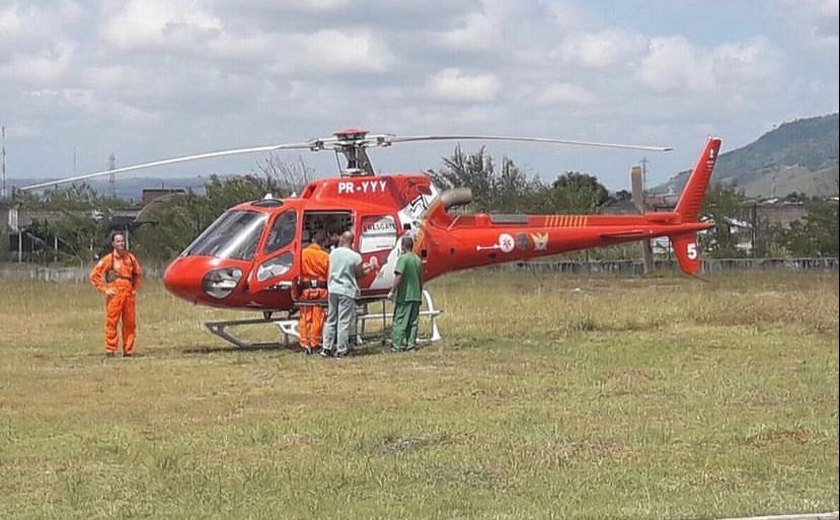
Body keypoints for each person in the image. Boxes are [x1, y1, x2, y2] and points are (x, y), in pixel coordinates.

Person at [320, 230, 374, 358]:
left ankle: (326, 348)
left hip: (333, 288)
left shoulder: (333, 253)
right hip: (346, 290)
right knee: (343, 321)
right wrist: (369, 267)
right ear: (352, 241)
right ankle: (341, 348)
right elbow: (359, 274)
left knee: (331, 319)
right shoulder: (355, 257)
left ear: (343, 240)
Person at [89, 231, 143, 357]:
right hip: (115, 293)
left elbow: (138, 274)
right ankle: (110, 349)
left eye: (122, 241)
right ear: (113, 243)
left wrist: (135, 289)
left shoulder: (130, 258)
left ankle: (128, 350)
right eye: (118, 241)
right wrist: (105, 289)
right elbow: (94, 275)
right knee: (112, 322)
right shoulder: (109, 259)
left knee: (130, 322)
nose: (121, 243)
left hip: (128, 293)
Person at [388, 236, 423, 352]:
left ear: (403, 246)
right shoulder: (417, 259)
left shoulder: (403, 259)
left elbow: (399, 275)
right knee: (413, 322)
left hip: (405, 295)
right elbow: (420, 279)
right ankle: (410, 345)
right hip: (416, 295)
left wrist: (392, 291)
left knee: (400, 320)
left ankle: (396, 345)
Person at [298, 231, 329, 355]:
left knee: (305, 317)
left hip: (306, 290)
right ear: (324, 242)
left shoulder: (302, 254)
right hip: (321, 290)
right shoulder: (325, 256)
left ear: (312, 240)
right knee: (318, 317)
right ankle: (315, 342)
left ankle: (304, 343)